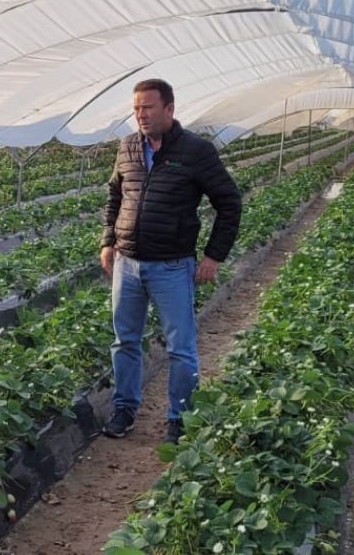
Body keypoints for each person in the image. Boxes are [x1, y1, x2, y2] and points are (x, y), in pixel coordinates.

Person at [100, 78, 242, 444]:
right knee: (124, 341)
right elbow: (115, 196)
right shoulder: (128, 147)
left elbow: (229, 203)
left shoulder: (196, 151)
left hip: (172, 266)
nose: (140, 115)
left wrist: (213, 255)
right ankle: (124, 409)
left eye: (147, 107)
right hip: (128, 264)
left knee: (181, 346)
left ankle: (179, 417)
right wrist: (108, 241)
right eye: (136, 108)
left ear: (169, 109)